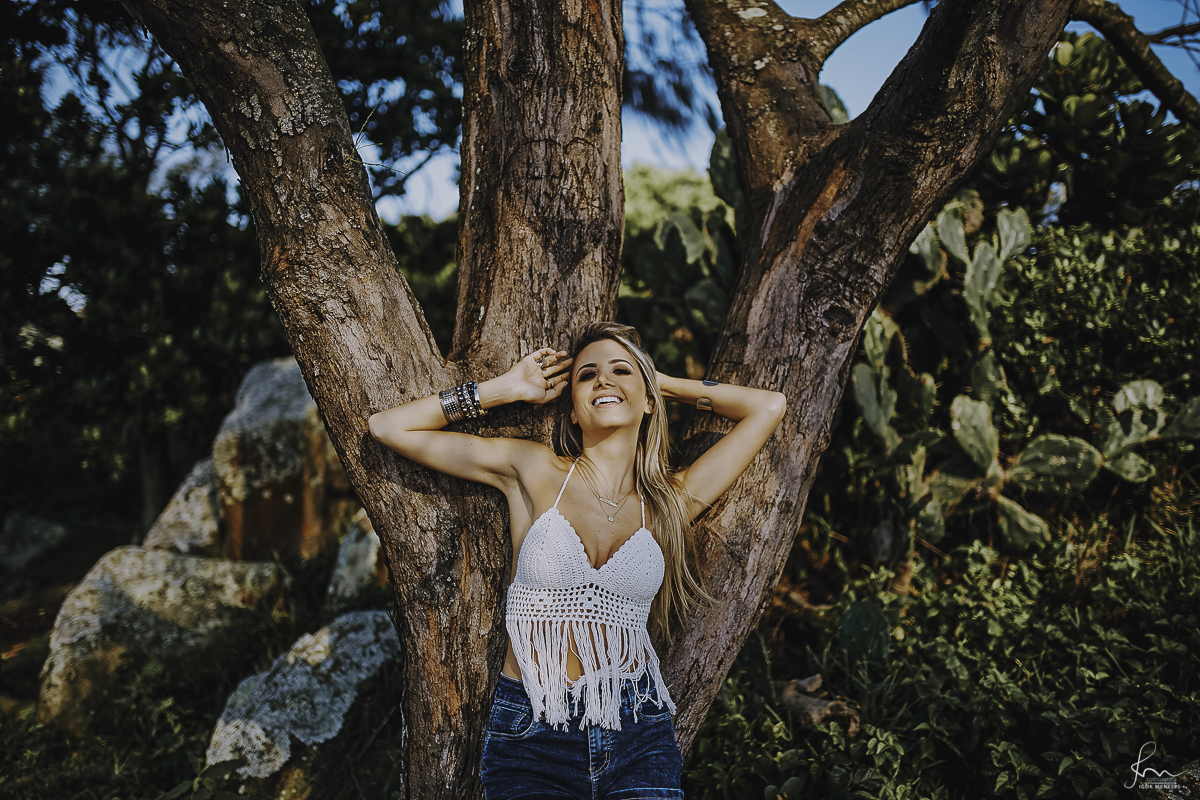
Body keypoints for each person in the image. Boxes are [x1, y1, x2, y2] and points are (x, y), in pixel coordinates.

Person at [368, 322, 785, 799]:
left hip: (637, 731)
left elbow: (768, 407)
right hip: (532, 733)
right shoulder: (534, 469)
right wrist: (504, 389)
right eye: (588, 375)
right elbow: (388, 427)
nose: (603, 379)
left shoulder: (669, 501)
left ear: (650, 401)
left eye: (620, 370)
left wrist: (661, 383)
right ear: (572, 409)